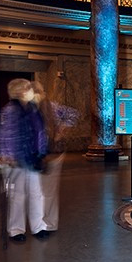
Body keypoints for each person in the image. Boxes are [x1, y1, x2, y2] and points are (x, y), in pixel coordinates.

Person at [0, 78, 48, 242]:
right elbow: (4, 135)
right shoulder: (10, 110)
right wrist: (7, 155)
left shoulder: (33, 110)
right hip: (15, 160)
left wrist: (41, 152)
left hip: (31, 158)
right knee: (17, 196)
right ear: (21, 91)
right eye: (28, 88)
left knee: (36, 194)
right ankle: (16, 230)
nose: (31, 90)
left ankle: (38, 227)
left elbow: (40, 132)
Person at [32, 80, 78, 235]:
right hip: (45, 153)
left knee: (44, 191)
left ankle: (44, 224)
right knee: (45, 192)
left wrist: (61, 131)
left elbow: (73, 114)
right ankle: (44, 223)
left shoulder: (50, 107)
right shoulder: (42, 108)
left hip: (49, 154)